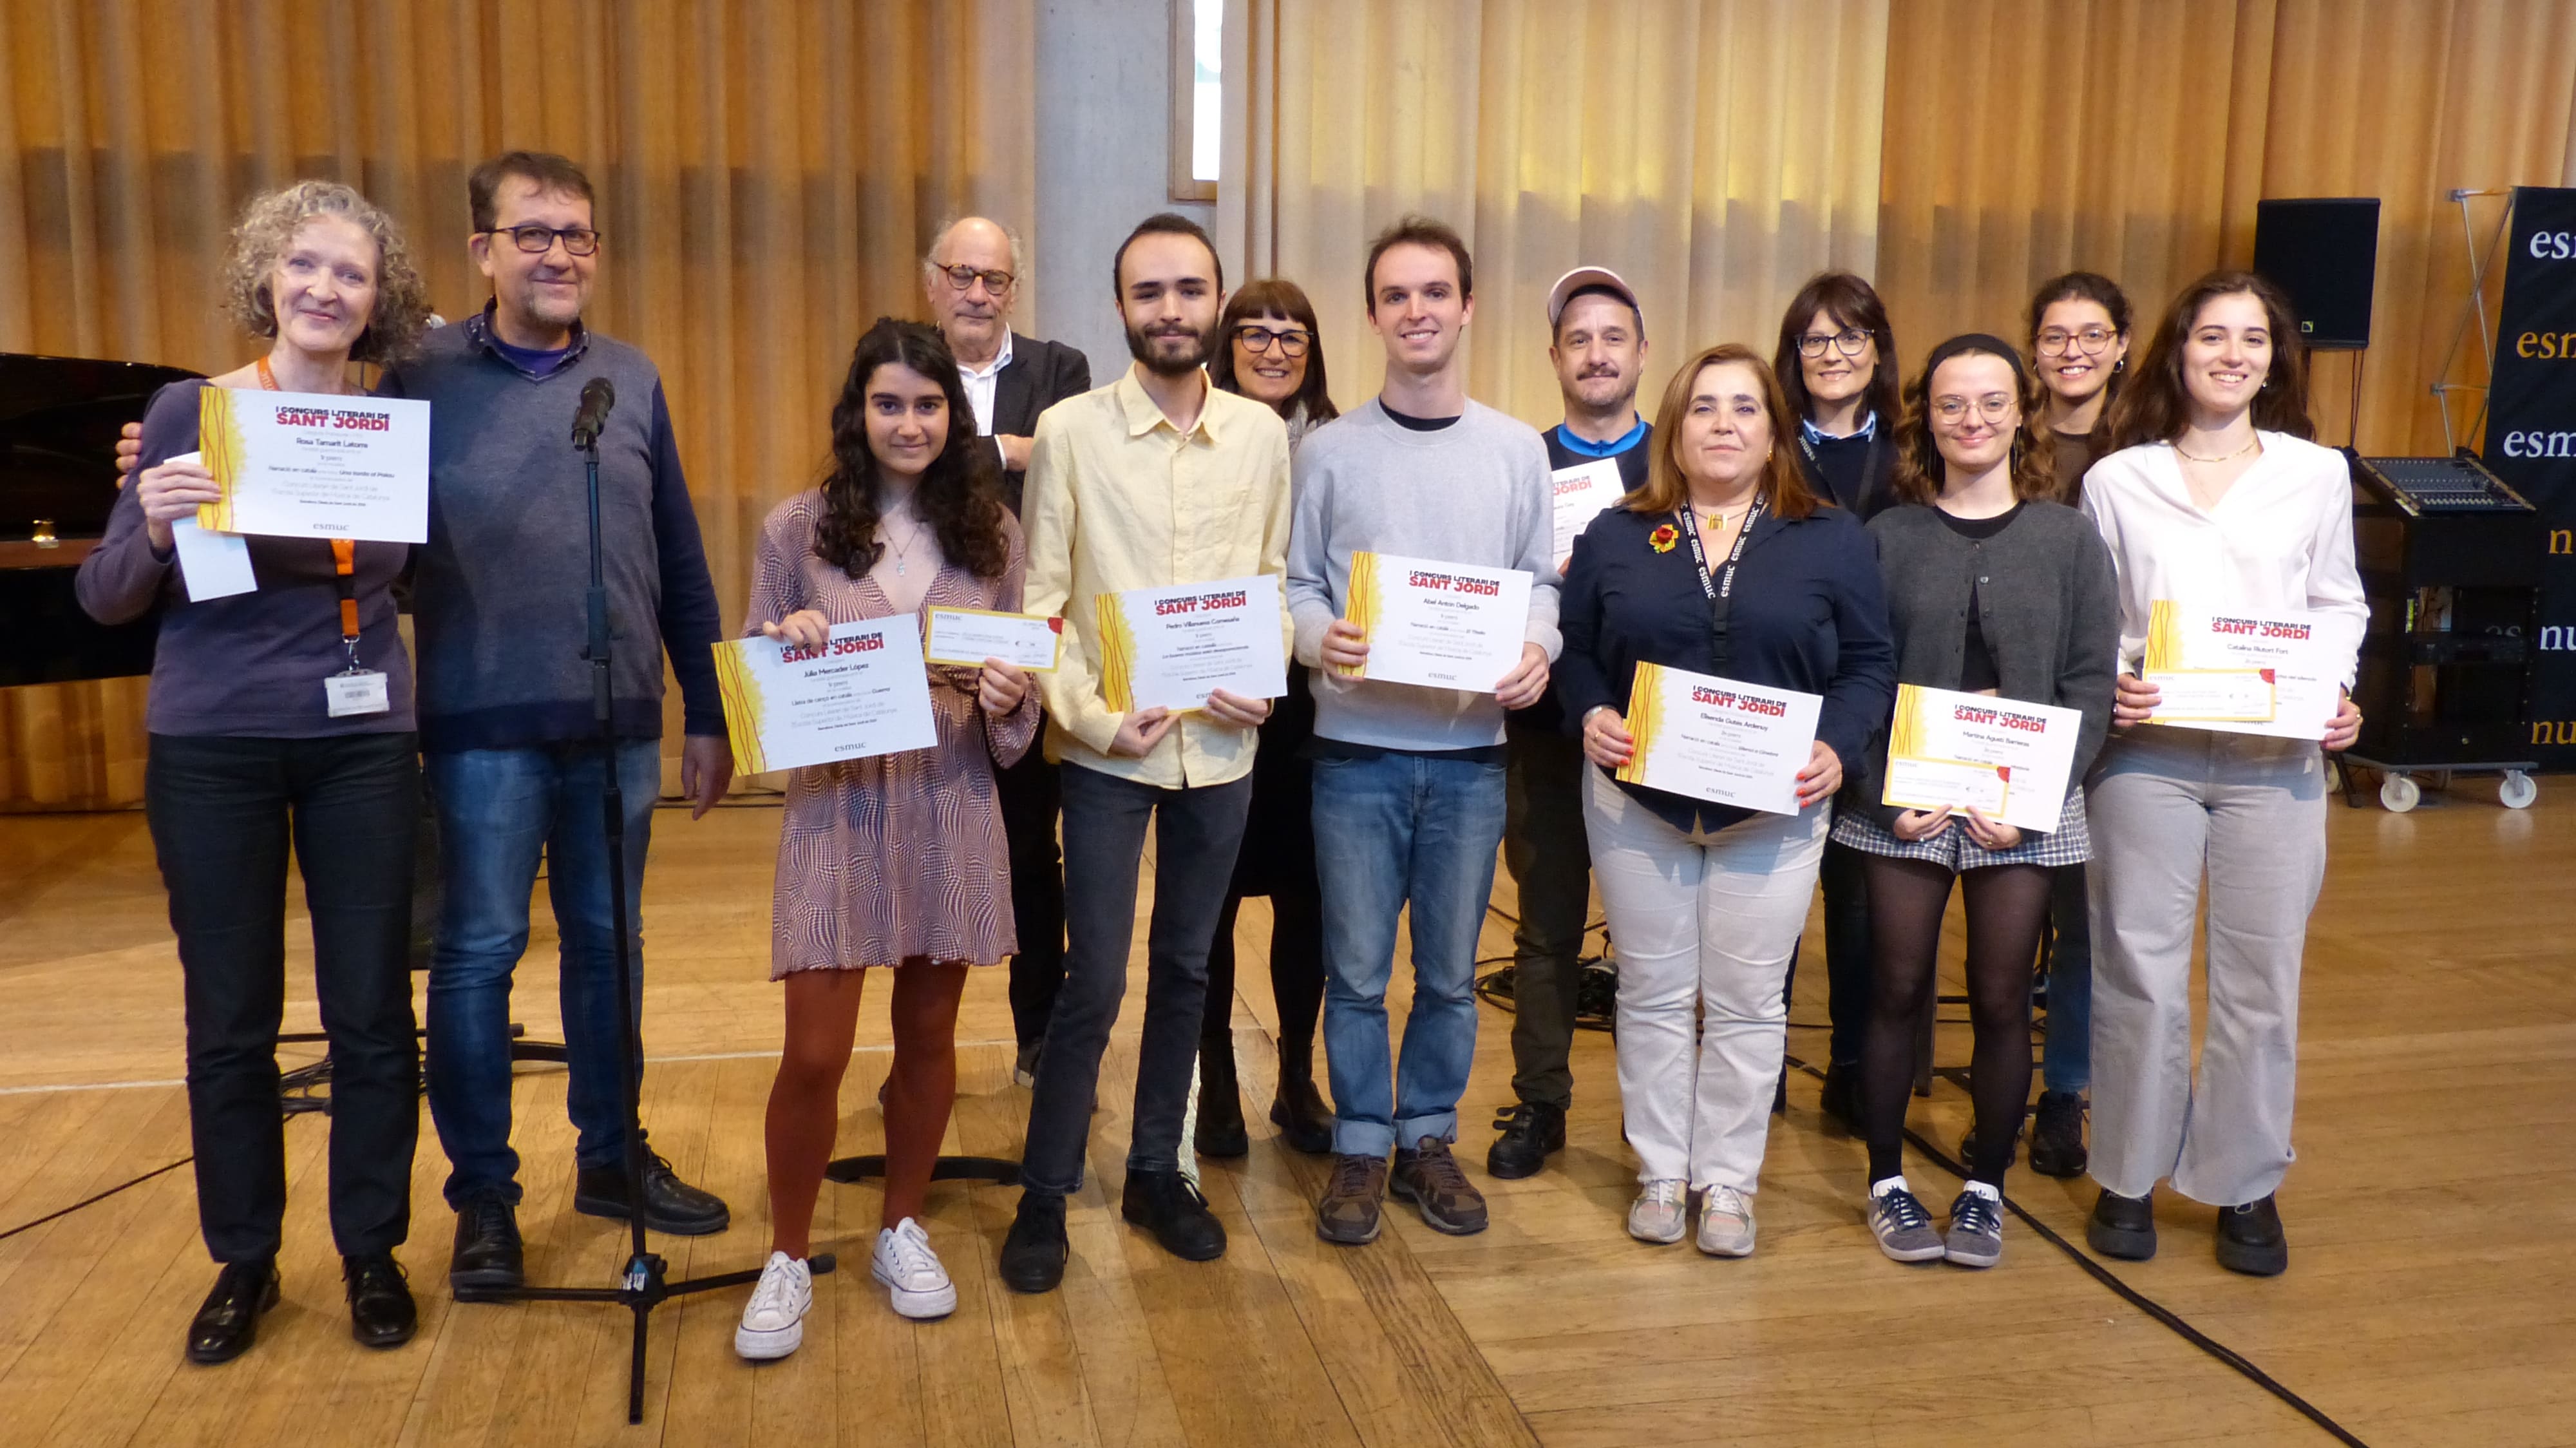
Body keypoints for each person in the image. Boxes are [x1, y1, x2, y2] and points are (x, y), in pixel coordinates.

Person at [77, 180, 434, 1362]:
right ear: (267, 281)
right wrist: (159, 522)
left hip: (364, 741)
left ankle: (371, 1247)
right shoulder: (189, 411)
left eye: (353, 274)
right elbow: (106, 596)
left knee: (375, 1011)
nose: (327, 290)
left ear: (379, 302)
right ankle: (246, 1260)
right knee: (229, 1017)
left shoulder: (389, 424)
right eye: (307, 268)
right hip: (213, 744)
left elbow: (401, 576)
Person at [402, 153, 736, 1294]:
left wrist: (708, 708)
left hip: (618, 725)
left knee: (610, 951)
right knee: (481, 955)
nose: (559, 254)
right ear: (482, 250)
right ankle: (485, 1200)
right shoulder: (415, 374)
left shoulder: (630, 379)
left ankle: (611, 1160)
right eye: (533, 233)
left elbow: (679, 555)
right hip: (480, 723)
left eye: (579, 235)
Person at [997, 213, 1293, 1293]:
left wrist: (1270, 670)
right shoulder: (1072, 430)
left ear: (1216, 301)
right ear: (1120, 307)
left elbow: (1270, 579)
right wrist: (1089, 716)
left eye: (1188, 290)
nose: (1171, 310)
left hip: (1222, 749)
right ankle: (1044, 1190)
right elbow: (1042, 603)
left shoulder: (1261, 436)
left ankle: (1160, 1172)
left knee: (1189, 969)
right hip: (1113, 749)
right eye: (1148, 293)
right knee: (1093, 979)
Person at [734, 319, 1039, 1354]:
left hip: (952, 801)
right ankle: (786, 1252)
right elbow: (757, 693)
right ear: (857, 412)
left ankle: (900, 1224)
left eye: (928, 403)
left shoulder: (992, 535)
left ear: (954, 416)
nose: (909, 423)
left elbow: (1020, 705)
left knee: (929, 1040)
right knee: (813, 1053)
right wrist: (786, 646)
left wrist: (1008, 695)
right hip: (837, 808)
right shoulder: (796, 529)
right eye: (889, 402)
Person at [1558, 343, 1893, 1257]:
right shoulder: (1618, 533)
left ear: (1775, 431)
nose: (1723, 425)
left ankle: (1730, 1184)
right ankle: (1663, 1171)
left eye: (1745, 408)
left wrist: (1841, 745)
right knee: (1655, 992)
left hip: (1775, 806)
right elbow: (1576, 645)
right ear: (1675, 427)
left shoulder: (1829, 537)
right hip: (1638, 801)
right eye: (1704, 407)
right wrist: (1587, 709)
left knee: (1749, 1004)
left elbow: (1870, 663)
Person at [2079, 271, 2364, 1277]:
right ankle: (2125, 1170)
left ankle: (2246, 1182)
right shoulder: (2118, 479)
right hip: (2145, 759)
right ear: (2177, 350)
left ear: (2275, 358)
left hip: (2274, 763)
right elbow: (2100, 624)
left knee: (2261, 983)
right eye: (2212, 336)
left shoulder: (2315, 473)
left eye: (2254, 339)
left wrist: (2335, 690)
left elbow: (2339, 602)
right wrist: (2116, 684)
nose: (2232, 355)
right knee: (2137, 970)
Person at [1287, 215, 1558, 1245]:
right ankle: (1362, 1141)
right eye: (1396, 296)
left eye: (1434, 292)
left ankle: (1428, 1136)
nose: (1416, 311)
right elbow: (1298, 584)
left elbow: (1540, 585)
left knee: (1448, 975)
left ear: (1467, 306)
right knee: (1357, 973)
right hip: (1354, 755)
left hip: (1470, 761)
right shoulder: (1329, 451)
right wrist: (1322, 639)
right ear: (1372, 314)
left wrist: (1539, 649)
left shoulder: (1515, 451)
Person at [1835, 336, 2118, 1269]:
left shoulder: (2069, 538)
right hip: (1900, 803)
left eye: (1993, 403)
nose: (1973, 421)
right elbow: (1861, 673)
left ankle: (1985, 1186)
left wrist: (2033, 805)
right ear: (1928, 417)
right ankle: (1886, 1181)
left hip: (2026, 807)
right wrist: (1882, 795)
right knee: (1897, 988)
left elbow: (2087, 685)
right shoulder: (1888, 535)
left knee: (2001, 998)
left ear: (2020, 413)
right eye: (1953, 404)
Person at [1486, 265, 1654, 1181]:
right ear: (1554, 355)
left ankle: (1654, 1120)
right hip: (1547, 731)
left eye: (1613, 337)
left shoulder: (1678, 460)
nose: (1596, 353)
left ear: (1640, 353)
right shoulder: (1521, 459)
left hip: (1658, 736)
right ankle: (1540, 1103)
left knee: (1651, 942)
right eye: (1578, 339)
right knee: (1547, 929)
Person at [922, 215, 1094, 1087]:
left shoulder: (1059, 369)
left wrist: (962, 454)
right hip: (928, 646)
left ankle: (1041, 1033)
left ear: (1013, 290)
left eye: (995, 279)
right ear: (933, 283)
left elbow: (1071, 467)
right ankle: (920, 1055)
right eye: (963, 275)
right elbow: (894, 468)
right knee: (927, 846)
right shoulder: (906, 361)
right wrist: (1010, 452)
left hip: (1026, 642)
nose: (978, 294)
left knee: (1034, 850)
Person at [1193, 278, 1341, 1157]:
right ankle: (1215, 1083)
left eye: (1293, 335)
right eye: (1255, 333)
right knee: (1206, 906)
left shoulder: (1339, 444)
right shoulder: (1198, 434)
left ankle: (1294, 1075)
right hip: (1212, 696)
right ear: (1229, 345)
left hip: (1310, 711)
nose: (1275, 349)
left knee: (1307, 901)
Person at [1770, 272, 1904, 1127]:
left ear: (1878, 350)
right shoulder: (1772, 444)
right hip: (1778, 696)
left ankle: (1855, 1062)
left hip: (1879, 700)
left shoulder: (1916, 449)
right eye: (1815, 340)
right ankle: (1762, 1061)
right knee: (1772, 893)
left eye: (1850, 337)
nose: (1832, 354)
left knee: (1861, 903)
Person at [2022, 269, 2136, 1178]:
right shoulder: (2004, 434)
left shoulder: (2151, 449)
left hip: (2115, 708)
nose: (2073, 351)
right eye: (2056, 335)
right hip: (2014, 711)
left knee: (2087, 918)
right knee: (2017, 908)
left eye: (2091, 334)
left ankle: (2065, 1090)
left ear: (2123, 346)